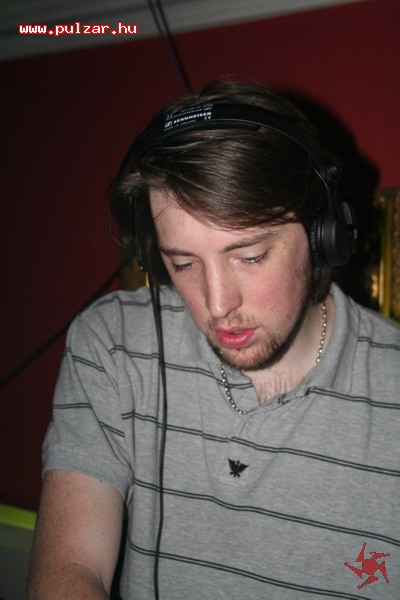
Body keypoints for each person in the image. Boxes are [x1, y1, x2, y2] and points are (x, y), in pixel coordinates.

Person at [28, 81, 400, 600]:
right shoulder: (113, 345)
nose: (218, 303)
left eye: (250, 256)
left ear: (324, 236)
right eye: (183, 263)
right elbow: (71, 568)